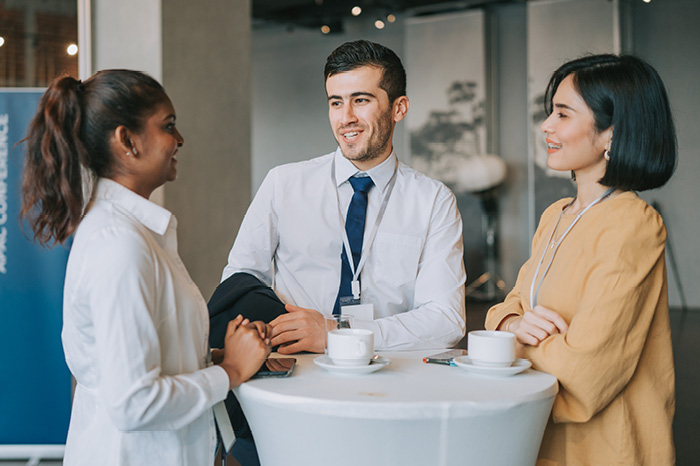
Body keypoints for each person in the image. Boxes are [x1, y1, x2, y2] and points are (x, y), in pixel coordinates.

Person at [20, 70, 271, 466]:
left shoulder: (137, 232)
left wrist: (217, 360)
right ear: (126, 140)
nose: (180, 139)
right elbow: (134, 403)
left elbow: (146, 358)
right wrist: (232, 372)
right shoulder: (119, 243)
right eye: (168, 126)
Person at [485, 54, 676, 465]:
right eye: (550, 112)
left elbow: (587, 371)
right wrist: (513, 325)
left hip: (606, 449)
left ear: (612, 132)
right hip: (540, 439)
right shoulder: (556, 215)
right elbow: (506, 308)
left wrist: (506, 346)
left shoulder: (632, 224)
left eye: (563, 114)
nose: (547, 126)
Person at [220, 39, 466, 355]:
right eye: (336, 102)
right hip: (294, 367)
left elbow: (446, 320)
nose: (345, 117)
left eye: (360, 100)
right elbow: (240, 282)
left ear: (399, 108)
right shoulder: (284, 183)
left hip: (388, 373)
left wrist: (339, 333)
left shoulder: (433, 201)